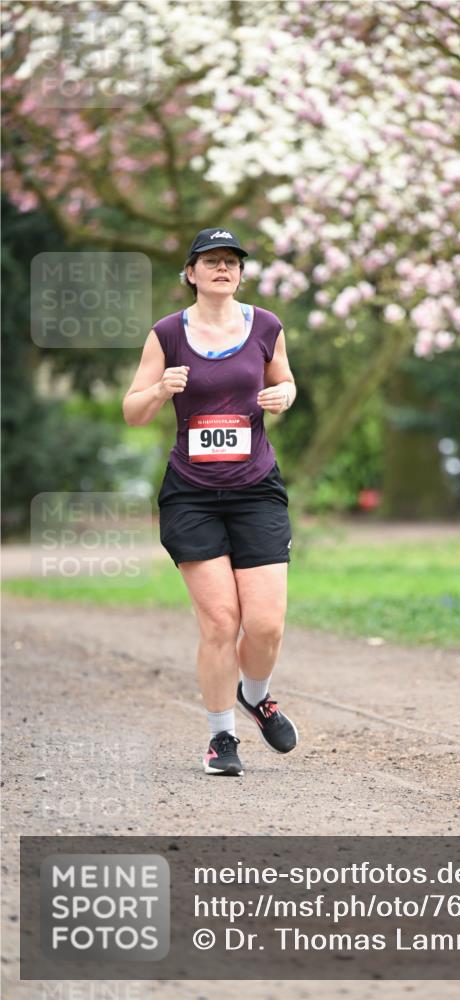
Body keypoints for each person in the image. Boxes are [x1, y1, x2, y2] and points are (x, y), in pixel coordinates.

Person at [122, 227, 298, 777]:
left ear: (240, 274)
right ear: (191, 273)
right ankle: (222, 738)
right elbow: (133, 410)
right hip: (192, 497)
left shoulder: (266, 326)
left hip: (256, 491)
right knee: (221, 621)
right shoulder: (167, 334)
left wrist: (284, 395)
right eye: (211, 260)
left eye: (232, 261)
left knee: (265, 624)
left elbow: (285, 381)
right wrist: (158, 390)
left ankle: (256, 694)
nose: (223, 268)